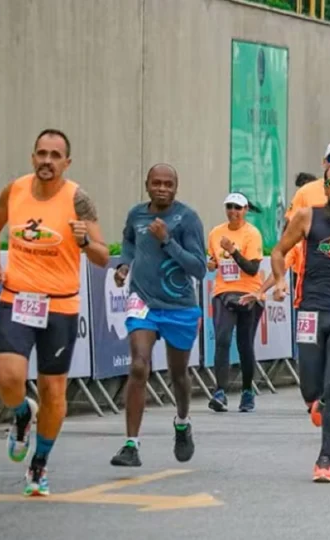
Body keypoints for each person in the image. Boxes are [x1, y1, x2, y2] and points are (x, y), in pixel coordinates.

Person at [0, 129, 109, 496]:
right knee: (8, 380)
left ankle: (39, 465)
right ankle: (23, 414)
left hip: (60, 306)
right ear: (32, 157)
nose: (47, 161)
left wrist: (85, 240)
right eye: (41, 153)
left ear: (66, 163)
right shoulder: (16, 190)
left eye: (56, 156)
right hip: (17, 298)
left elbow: (102, 256)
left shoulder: (79, 200)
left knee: (54, 390)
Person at [251, 162, 330, 483]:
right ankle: (316, 401)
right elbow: (280, 251)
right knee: (310, 386)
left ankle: (325, 459)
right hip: (309, 310)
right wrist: (280, 280)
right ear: (325, 188)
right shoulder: (308, 217)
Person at [110, 164, 207, 468]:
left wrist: (167, 240)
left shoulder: (187, 218)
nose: (162, 188)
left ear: (176, 187)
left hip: (179, 306)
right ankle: (131, 445)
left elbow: (199, 268)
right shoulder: (136, 215)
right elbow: (128, 242)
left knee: (178, 376)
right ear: (147, 185)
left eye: (168, 184)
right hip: (143, 301)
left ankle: (181, 422)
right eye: (157, 183)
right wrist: (124, 265)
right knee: (139, 365)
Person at [206, 193, 264, 413]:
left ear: (246, 210)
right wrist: (211, 264)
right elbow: (212, 259)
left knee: (244, 344)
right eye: (229, 207)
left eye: (238, 208)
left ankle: (247, 391)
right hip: (223, 292)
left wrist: (233, 250)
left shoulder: (252, 234)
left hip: (249, 293)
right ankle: (219, 391)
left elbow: (252, 269)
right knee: (221, 339)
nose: (233, 212)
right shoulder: (215, 232)